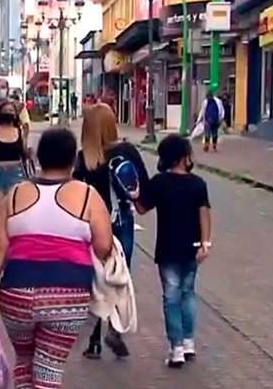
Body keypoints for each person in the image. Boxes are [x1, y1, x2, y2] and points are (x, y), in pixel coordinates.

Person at [0, 128, 112, 389]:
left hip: (16, 291)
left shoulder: (14, 195)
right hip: (67, 295)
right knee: (50, 367)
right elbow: (103, 246)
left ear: (38, 157)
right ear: (72, 159)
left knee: (25, 361)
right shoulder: (87, 196)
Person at [73, 102, 148, 359]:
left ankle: (94, 340)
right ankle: (115, 330)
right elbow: (143, 189)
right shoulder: (126, 151)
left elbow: (75, 192)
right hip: (121, 221)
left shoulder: (84, 158)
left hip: (92, 224)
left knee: (97, 280)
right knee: (119, 276)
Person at [133, 134, 211, 367]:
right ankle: (189, 342)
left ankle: (176, 348)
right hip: (192, 248)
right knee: (188, 293)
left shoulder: (159, 182)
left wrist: (133, 194)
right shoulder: (198, 184)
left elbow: (142, 208)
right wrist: (205, 243)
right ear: (184, 157)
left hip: (167, 249)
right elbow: (204, 214)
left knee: (171, 297)